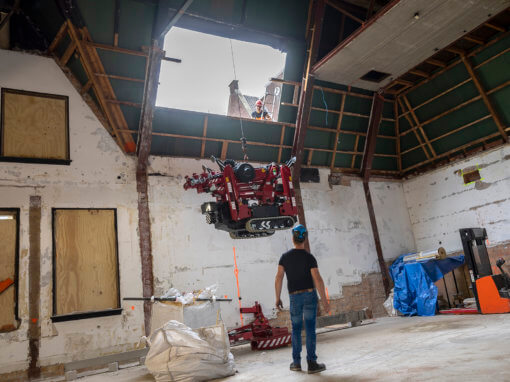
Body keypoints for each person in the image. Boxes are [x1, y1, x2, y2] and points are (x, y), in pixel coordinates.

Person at [275, 224, 329, 374]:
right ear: (305, 239)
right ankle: (312, 363)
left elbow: (279, 277)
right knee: (310, 329)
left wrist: (277, 297)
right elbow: (317, 279)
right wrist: (324, 301)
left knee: (296, 330)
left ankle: (296, 363)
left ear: (293, 238)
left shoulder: (284, 257)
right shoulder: (309, 257)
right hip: (309, 295)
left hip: (294, 297)